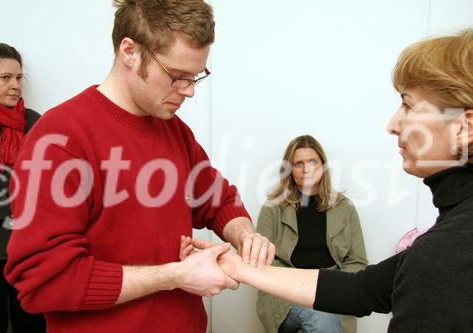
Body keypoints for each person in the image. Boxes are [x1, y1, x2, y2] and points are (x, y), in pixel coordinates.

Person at [4, 1, 275, 332]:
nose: (188, 91)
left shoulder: (175, 131)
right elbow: (44, 281)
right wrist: (174, 275)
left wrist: (245, 233)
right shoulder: (60, 139)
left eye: (195, 77)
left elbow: (218, 199)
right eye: (177, 76)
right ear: (129, 52)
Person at [185, 29, 473, 332]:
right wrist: (239, 266)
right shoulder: (445, 241)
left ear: (464, 127)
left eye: (409, 106)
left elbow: (359, 272)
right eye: (298, 163)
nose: (392, 125)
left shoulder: (446, 253)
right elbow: (362, 288)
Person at [256, 135, 367, 333]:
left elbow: (358, 262)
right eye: (298, 164)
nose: (306, 169)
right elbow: (260, 262)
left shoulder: (345, 207)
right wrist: (299, 286)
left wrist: (332, 289)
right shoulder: (273, 208)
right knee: (321, 314)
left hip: (332, 292)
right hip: (286, 297)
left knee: (321, 316)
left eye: (312, 162)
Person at [0, 43, 46, 332]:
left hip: (32, 252)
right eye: (5, 78)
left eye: (18, 78)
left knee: (35, 327)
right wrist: (21, 200)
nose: (15, 85)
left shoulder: (34, 123)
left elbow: (53, 186)